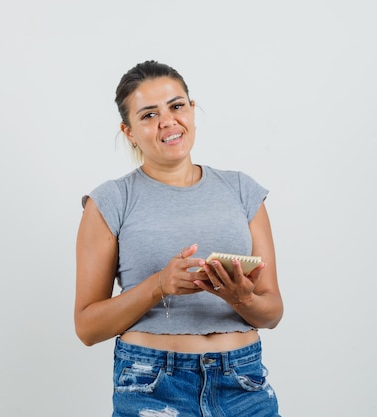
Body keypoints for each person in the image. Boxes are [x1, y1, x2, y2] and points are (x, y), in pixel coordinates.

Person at [74, 60, 283, 417]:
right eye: (148, 115)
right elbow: (88, 327)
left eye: (176, 106)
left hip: (244, 383)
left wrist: (242, 298)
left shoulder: (242, 191)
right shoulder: (110, 202)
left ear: (192, 110)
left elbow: (272, 312)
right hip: (152, 386)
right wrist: (159, 285)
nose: (168, 121)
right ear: (129, 132)